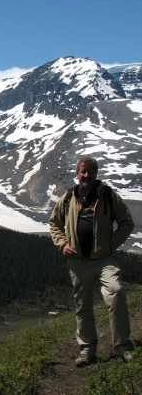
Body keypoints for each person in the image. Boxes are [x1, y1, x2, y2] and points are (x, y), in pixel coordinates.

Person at [49, 156, 134, 367]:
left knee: (115, 292)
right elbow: (54, 223)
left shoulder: (107, 196)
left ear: (96, 174)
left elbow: (126, 222)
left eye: (90, 172)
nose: (86, 175)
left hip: (104, 259)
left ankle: (122, 347)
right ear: (77, 174)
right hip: (78, 262)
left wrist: (111, 245)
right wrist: (62, 244)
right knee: (82, 306)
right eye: (82, 172)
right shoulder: (68, 198)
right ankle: (87, 351)